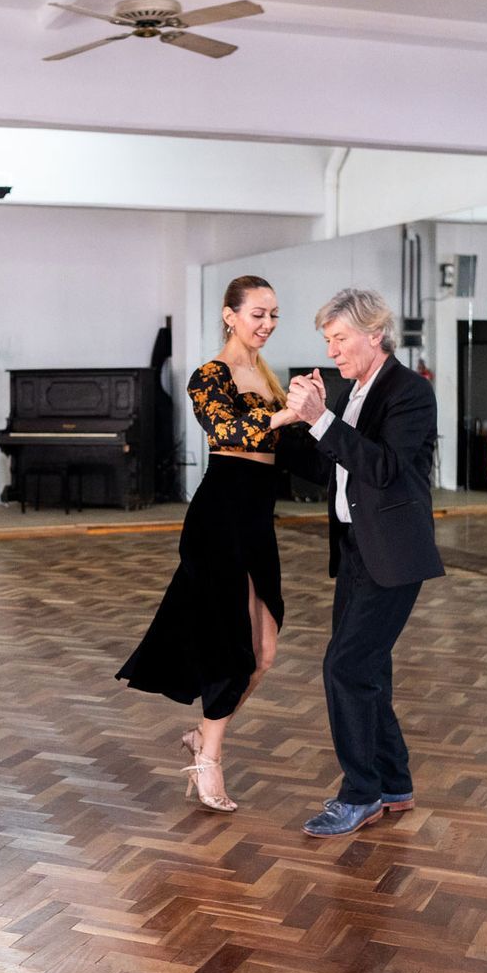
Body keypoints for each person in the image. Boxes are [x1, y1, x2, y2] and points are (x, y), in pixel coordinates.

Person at [117, 276, 309, 811]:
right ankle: (209, 761)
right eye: (257, 314)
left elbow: (284, 448)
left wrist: (310, 412)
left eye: (274, 315)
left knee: (265, 651)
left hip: (256, 517)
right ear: (230, 315)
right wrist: (284, 415)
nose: (267, 324)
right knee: (234, 645)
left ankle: (204, 736)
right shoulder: (210, 375)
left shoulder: (269, 378)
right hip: (220, 515)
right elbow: (225, 431)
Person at [282, 289, 444, 838]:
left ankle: (360, 794)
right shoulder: (352, 392)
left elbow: (382, 469)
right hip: (355, 548)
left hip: (394, 553)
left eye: (341, 338)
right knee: (366, 670)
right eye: (327, 341)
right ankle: (393, 783)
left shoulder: (410, 393)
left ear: (375, 334)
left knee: (345, 668)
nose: (332, 351)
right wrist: (293, 420)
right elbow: (330, 467)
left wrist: (321, 419)